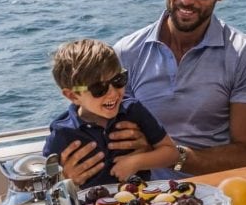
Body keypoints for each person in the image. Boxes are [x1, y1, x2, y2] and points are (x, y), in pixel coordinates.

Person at [60, 0, 246, 183]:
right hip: (140, 197)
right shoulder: (126, 53)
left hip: (215, 196)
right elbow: (90, 126)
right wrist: (69, 173)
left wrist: (167, 155)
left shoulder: (244, 55)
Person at [43, 38, 177, 187]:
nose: (113, 93)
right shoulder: (62, 133)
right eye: (98, 88)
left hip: (141, 197)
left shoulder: (133, 110)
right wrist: (64, 178)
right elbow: (48, 182)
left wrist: (136, 162)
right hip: (89, 201)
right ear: (73, 96)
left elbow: (171, 153)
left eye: (118, 80)